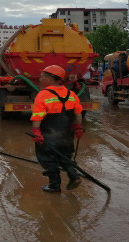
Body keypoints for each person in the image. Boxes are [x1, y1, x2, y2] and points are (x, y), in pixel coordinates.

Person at [30, 65, 85, 193]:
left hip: (49, 133)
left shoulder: (43, 95)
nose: (40, 78)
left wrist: (36, 132)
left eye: (43, 76)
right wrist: (78, 128)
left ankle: (54, 186)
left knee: (47, 159)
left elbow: (38, 116)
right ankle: (74, 176)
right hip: (66, 134)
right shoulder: (71, 94)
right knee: (65, 156)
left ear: (49, 79)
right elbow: (78, 114)